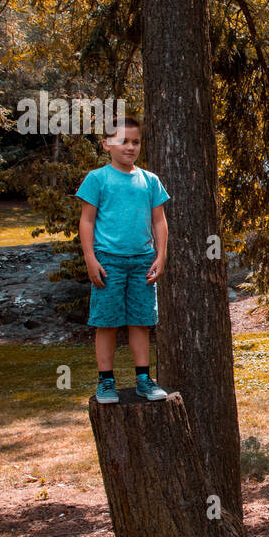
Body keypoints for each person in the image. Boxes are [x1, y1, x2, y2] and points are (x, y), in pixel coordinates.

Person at [76, 115, 170, 403]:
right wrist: (91, 259)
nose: (129, 147)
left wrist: (161, 256)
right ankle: (106, 382)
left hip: (142, 261)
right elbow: (87, 222)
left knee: (140, 322)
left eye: (135, 142)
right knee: (107, 323)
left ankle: (144, 379)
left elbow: (159, 222)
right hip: (108, 261)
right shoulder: (97, 179)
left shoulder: (150, 181)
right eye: (122, 141)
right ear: (106, 144)